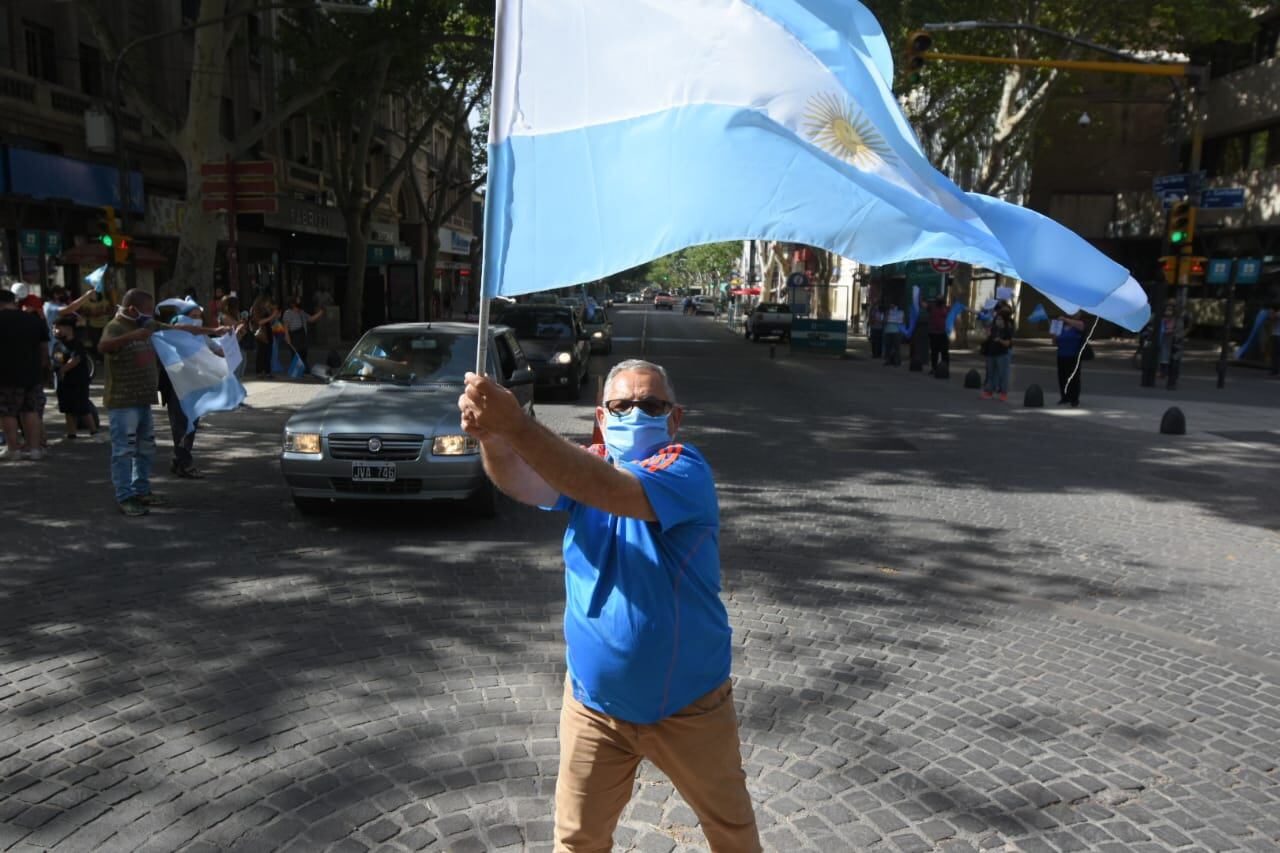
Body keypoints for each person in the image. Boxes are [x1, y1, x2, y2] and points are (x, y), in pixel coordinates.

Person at [458, 359, 761, 853]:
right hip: (593, 707)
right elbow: (518, 479)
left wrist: (516, 423)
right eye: (621, 405)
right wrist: (492, 438)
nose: (635, 413)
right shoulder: (583, 465)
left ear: (675, 418)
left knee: (732, 835)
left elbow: (610, 489)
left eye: (650, 405)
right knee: (577, 841)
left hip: (690, 707)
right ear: (602, 417)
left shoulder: (685, 468)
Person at [98, 289, 223, 516]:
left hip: (143, 400)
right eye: (146, 311)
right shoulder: (116, 326)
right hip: (123, 402)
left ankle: (142, 490)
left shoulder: (147, 325)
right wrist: (130, 337)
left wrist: (213, 330)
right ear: (132, 310)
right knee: (124, 450)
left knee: (145, 448)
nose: (150, 316)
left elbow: (178, 330)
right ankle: (125, 496)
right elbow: (103, 346)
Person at [0, 288, 49, 461]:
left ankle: (14, 449)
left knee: (8, 412)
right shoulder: (34, 320)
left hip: (6, 374)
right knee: (31, 410)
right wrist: (41, 365)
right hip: (32, 372)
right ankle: (35, 449)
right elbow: (44, 347)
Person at [52, 316, 99, 439]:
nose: (54, 331)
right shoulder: (58, 345)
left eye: (57, 328)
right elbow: (57, 360)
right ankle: (71, 433)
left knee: (82, 407)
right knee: (68, 408)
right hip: (64, 382)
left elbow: (76, 359)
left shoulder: (77, 344)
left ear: (68, 329)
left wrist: (63, 370)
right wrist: (58, 370)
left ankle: (93, 431)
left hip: (78, 381)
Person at [980, 301, 1015, 401]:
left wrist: (999, 340)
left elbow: (1008, 343)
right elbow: (989, 337)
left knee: (1002, 374)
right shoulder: (994, 328)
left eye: (1000, 319)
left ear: (1004, 320)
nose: (998, 320)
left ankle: (1003, 393)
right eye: (997, 319)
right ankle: (989, 391)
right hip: (991, 353)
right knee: (990, 373)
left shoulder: (1007, 329)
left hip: (1002, 354)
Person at [1052, 313, 1087, 407]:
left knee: (1074, 378)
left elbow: (1081, 326)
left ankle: (1074, 399)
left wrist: (1064, 319)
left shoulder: (1078, 324)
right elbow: (1054, 342)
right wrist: (1055, 332)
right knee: (1062, 377)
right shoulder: (1061, 325)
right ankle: (1064, 397)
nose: (1077, 315)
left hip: (1074, 356)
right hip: (1061, 355)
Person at [281, 295, 325, 368]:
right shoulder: (288, 313)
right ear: (292, 303)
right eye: (298, 301)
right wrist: (287, 337)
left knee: (304, 353)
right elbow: (285, 327)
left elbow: (311, 319)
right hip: (294, 336)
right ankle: (297, 370)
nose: (300, 302)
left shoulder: (302, 312)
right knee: (296, 354)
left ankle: (302, 369)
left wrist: (320, 313)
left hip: (302, 336)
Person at [250, 292, 281, 377]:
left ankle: (267, 371)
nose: (269, 303)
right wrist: (272, 316)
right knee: (261, 352)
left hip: (268, 331)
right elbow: (259, 321)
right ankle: (259, 372)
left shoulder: (266, 309)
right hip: (260, 333)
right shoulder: (256, 309)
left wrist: (275, 315)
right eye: (267, 301)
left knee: (268, 352)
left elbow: (269, 321)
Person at [925, 296, 950, 374]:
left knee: (944, 352)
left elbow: (953, 311)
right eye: (938, 298)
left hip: (943, 333)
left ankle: (945, 367)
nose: (940, 300)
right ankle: (934, 368)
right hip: (933, 333)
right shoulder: (932, 307)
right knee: (934, 352)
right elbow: (923, 304)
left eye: (941, 299)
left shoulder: (946, 308)